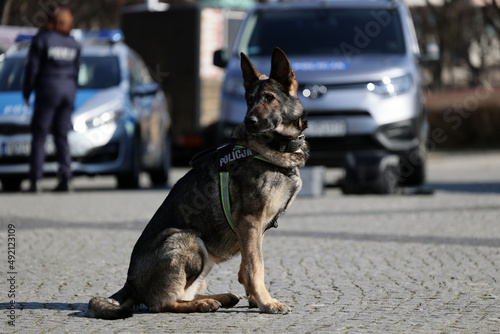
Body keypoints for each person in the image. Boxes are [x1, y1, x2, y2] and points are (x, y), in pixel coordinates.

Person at [22, 6, 80, 192]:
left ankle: (35, 180)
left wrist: (26, 92)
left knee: (39, 135)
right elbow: (76, 71)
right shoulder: (73, 43)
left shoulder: (42, 39)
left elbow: (32, 70)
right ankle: (66, 178)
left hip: (48, 91)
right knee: (62, 136)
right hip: (68, 92)